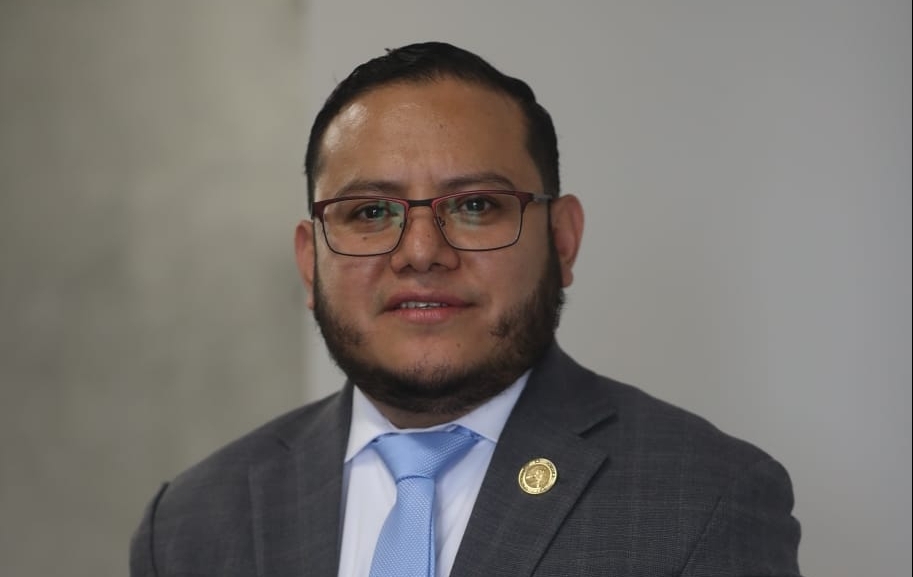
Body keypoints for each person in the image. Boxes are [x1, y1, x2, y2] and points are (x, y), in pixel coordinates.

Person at [130, 41, 802, 576]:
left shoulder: (705, 498)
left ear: (561, 239)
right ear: (310, 260)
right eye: (369, 212)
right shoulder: (191, 524)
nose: (421, 251)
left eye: (475, 205)